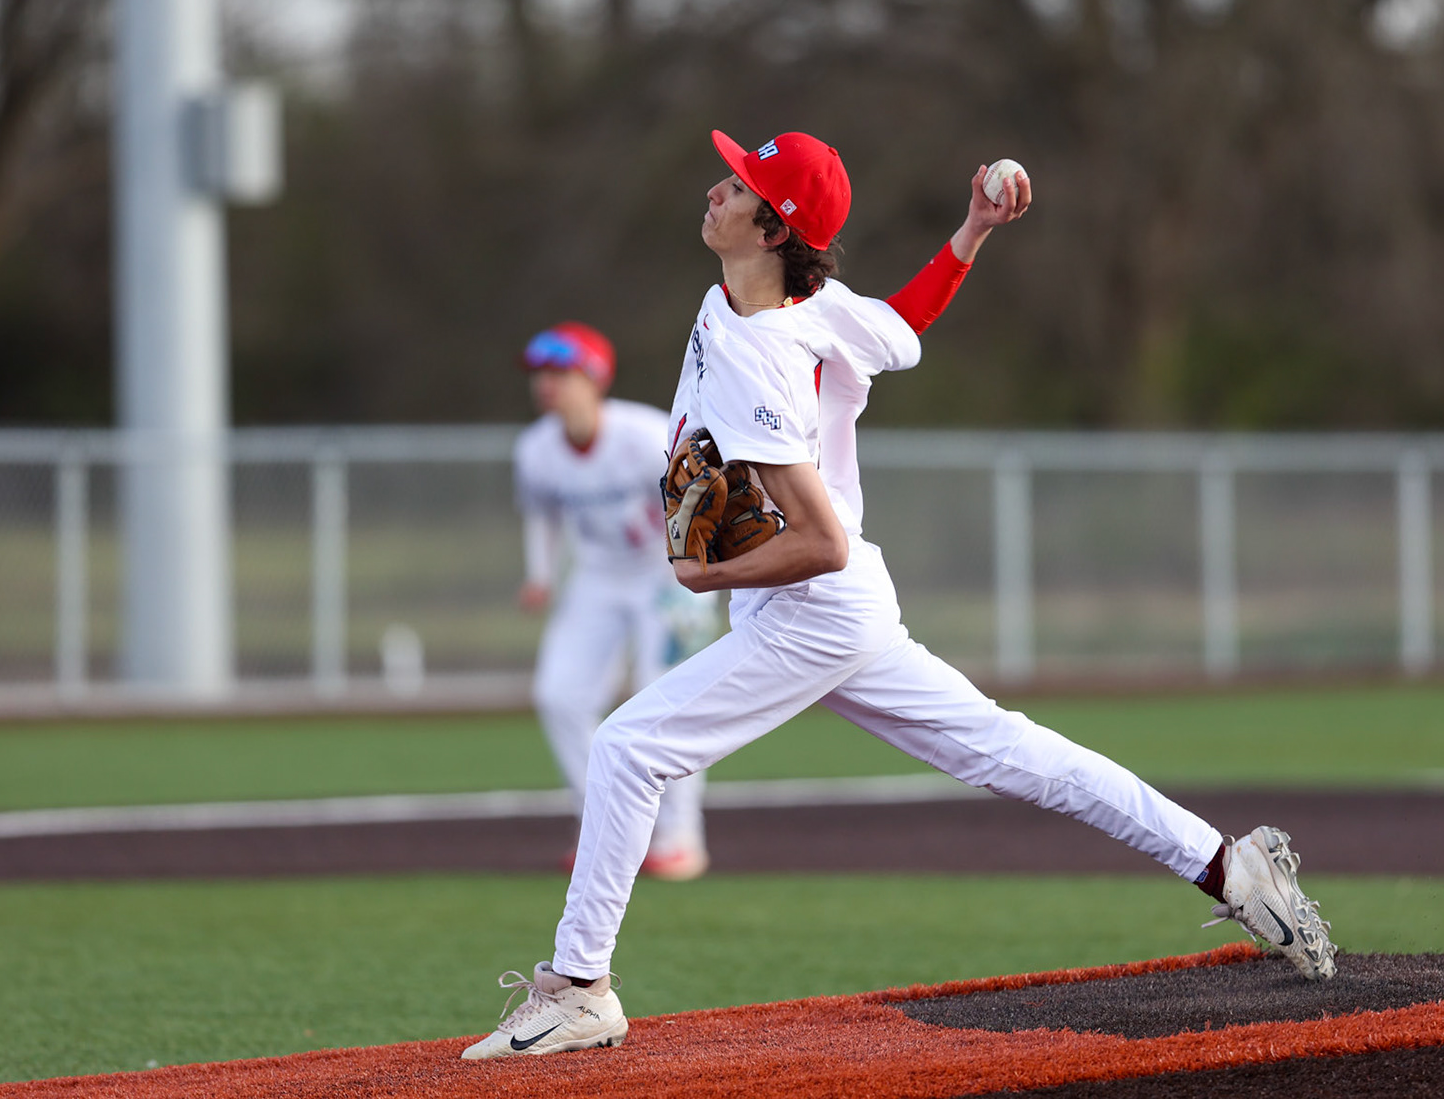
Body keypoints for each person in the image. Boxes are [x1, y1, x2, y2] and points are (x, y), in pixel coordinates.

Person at [461, 134, 1336, 1061]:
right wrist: (972, 231)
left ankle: (581, 987)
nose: (718, 189)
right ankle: (1228, 866)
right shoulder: (805, 300)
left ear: (772, 225)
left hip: (816, 606)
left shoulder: (764, 350)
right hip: (844, 609)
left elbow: (820, 543)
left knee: (628, 747)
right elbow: (903, 327)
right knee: (1013, 751)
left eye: (742, 185)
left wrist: (704, 574)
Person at [513, 321, 717, 883]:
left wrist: (705, 562)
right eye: (541, 375)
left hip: (671, 575)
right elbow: (542, 515)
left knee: (669, 701)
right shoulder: (535, 452)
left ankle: (681, 839)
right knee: (559, 696)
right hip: (598, 577)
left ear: (595, 378)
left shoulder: (646, 433)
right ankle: (608, 830)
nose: (547, 385)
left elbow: (707, 490)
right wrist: (540, 574)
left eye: (561, 372)